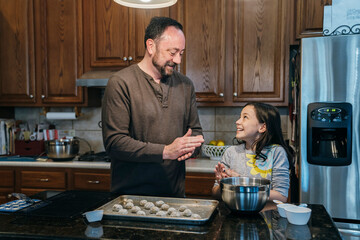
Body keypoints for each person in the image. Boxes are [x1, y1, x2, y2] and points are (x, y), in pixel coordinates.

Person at [102, 17, 204, 198]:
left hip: (174, 196)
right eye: (172, 52)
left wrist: (190, 146)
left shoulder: (185, 85)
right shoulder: (121, 83)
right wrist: (166, 151)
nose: (178, 60)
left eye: (181, 53)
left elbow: (195, 132)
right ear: (151, 46)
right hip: (129, 197)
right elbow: (115, 143)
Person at [212, 102, 292, 202]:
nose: (237, 121)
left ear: (262, 127)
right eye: (239, 117)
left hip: (265, 215)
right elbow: (215, 193)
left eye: (245, 117)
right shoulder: (231, 152)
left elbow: (281, 196)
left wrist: (240, 185)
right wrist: (222, 185)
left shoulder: (276, 152)